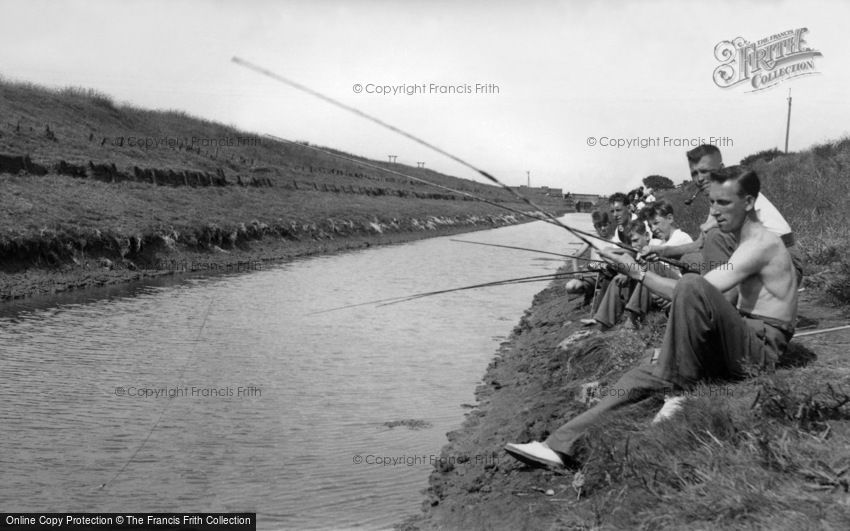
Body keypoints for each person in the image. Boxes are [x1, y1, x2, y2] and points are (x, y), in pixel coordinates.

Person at [505, 166, 798, 468]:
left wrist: (636, 271)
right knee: (643, 372)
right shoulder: (739, 244)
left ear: (748, 203)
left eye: (723, 203)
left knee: (689, 288)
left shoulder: (760, 245)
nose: (714, 212)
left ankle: (680, 390)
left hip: (761, 350)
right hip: (741, 339)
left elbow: (696, 291)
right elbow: (724, 301)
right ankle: (558, 446)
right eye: (711, 202)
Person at [645, 145, 802, 299]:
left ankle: (715, 306)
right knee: (689, 259)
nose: (699, 179)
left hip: (785, 264)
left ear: (721, 168)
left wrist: (709, 228)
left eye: (705, 171)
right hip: (760, 260)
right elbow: (699, 244)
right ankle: (700, 300)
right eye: (694, 173)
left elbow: (713, 234)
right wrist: (661, 251)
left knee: (716, 236)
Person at [564, 210, 613, 305]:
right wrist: (576, 272)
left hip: (607, 276)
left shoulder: (614, 240)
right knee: (570, 286)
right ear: (595, 227)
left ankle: (596, 295)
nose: (603, 229)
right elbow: (575, 257)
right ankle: (588, 292)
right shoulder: (592, 239)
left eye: (605, 225)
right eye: (599, 226)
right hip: (590, 275)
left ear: (609, 224)